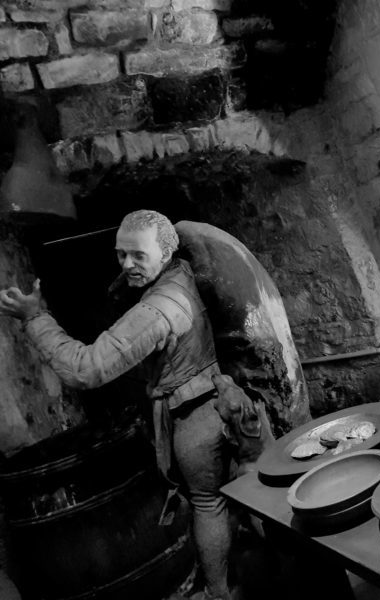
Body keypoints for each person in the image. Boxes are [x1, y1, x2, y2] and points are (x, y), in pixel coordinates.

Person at [0, 210, 232, 600]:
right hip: (211, 397)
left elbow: (85, 370)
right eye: (120, 254)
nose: (126, 265)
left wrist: (34, 316)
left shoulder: (159, 307)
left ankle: (220, 592)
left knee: (209, 502)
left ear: (164, 251)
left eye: (138, 256)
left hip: (197, 416)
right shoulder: (181, 273)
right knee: (223, 496)